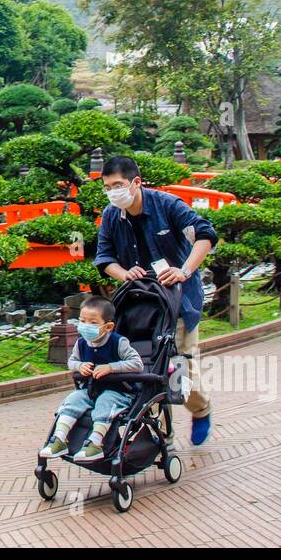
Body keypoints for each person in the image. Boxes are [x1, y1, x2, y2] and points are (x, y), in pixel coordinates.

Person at [94, 155, 219, 445]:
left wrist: (185, 270)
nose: (113, 192)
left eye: (118, 185)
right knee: (144, 367)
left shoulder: (167, 205)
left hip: (178, 300)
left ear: (136, 183)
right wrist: (124, 274)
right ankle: (163, 434)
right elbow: (104, 258)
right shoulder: (112, 214)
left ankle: (201, 409)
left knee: (180, 367)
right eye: (107, 186)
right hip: (140, 305)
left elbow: (205, 235)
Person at [39, 296, 143, 463]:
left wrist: (111, 367)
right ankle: (59, 439)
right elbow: (71, 362)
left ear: (108, 326)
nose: (86, 326)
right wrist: (79, 366)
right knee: (73, 399)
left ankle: (95, 442)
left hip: (119, 391)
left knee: (105, 402)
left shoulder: (119, 342)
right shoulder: (81, 343)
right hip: (91, 389)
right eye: (82, 321)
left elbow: (137, 364)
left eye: (93, 323)